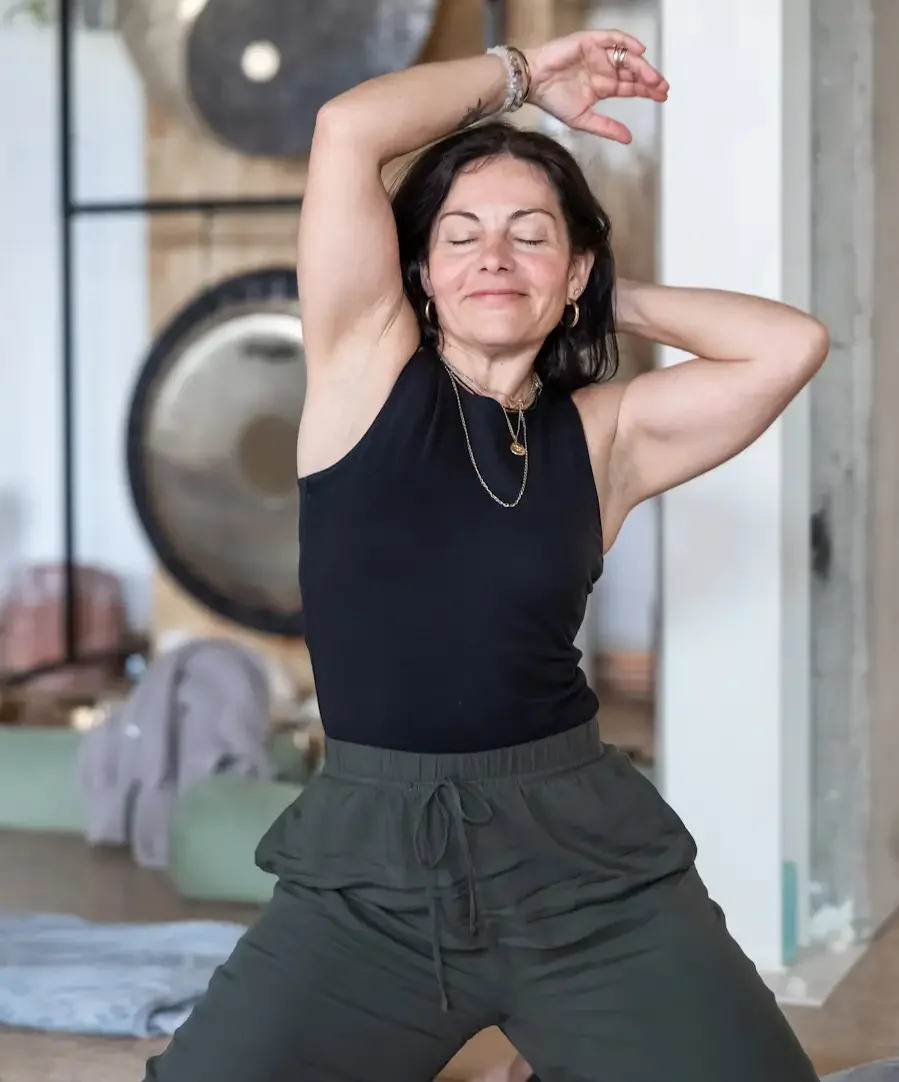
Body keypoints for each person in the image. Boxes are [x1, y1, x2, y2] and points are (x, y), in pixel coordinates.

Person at [143, 27, 828, 1082]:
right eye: (458, 236)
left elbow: (788, 345)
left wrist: (599, 292)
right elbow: (347, 129)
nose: (492, 258)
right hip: (371, 876)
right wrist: (524, 79)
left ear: (573, 268)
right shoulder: (364, 369)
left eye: (528, 235)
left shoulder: (603, 437)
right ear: (416, 270)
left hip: (580, 867)